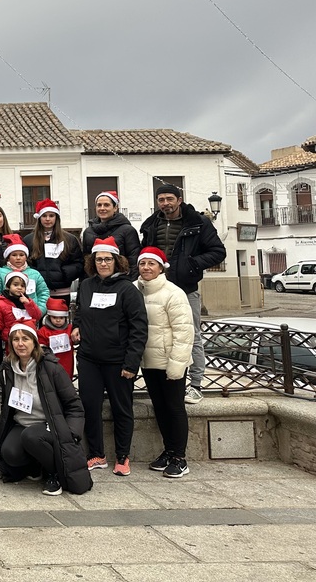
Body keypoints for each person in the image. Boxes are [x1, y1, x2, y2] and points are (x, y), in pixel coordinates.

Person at [140, 182, 227, 405]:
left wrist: (191, 265)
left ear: (179, 200)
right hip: (155, 290)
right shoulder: (151, 224)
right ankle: (161, 382)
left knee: (192, 336)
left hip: (185, 289)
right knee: (154, 335)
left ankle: (196, 385)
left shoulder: (198, 223)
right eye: (161, 200)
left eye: (170, 199)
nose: (165, 203)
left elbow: (218, 251)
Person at [74, 237, 148, 477]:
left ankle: (123, 456)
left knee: (121, 409)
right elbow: (79, 312)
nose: (103, 263)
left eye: (107, 259)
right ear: (92, 262)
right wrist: (76, 327)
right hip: (89, 359)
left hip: (118, 361)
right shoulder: (85, 285)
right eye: (98, 259)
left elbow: (139, 327)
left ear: (117, 261)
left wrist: (131, 363)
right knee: (90, 407)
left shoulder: (128, 289)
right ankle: (96, 454)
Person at [0, 323, 92, 496]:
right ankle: (37, 466)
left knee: (31, 436)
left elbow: (74, 405)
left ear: (35, 343)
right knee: (9, 453)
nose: (20, 344)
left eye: (25, 339)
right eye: (15, 339)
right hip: (21, 423)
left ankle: (54, 474)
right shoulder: (7, 368)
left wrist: (71, 433)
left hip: (49, 424)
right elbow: (6, 404)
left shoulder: (51, 368)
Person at [136, 247, 194, 479]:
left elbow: (184, 331)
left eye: (152, 264)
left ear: (161, 267)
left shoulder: (174, 293)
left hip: (170, 361)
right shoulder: (134, 289)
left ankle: (180, 457)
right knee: (160, 408)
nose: (147, 268)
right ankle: (168, 451)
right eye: (143, 264)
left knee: (174, 408)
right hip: (149, 362)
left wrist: (177, 364)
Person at [23, 199, 83, 300]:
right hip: (37, 293)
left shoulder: (70, 239)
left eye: (51, 215)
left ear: (56, 218)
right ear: (39, 218)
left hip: (62, 293)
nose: (47, 219)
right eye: (44, 216)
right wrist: (36, 275)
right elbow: (25, 264)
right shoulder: (28, 240)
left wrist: (65, 273)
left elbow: (79, 263)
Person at [82, 191, 141, 277]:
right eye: (99, 205)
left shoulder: (128, 230)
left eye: (106, 205)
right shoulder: (88, 232)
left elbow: (134, 260)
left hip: (121, 282)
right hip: (96, 283)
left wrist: (130, 283)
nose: (102, 208)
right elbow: (85, 262)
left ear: (115, 208)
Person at [0, 235, 49, 313]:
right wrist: (3, 310)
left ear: (26, 257)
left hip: (31, 316)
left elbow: (44, 293)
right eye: (14, 255)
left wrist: (39, 311)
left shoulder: (35, 274)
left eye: (21, 255)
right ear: (8, 257)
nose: (18, 258)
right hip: (7, 315)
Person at [0, 270, 44, 346]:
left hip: (29, 338)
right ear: (8, 286)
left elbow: (37, 316)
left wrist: (28, 304)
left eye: (22, 286)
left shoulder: (28, 301)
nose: (19, 288)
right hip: (11, 339)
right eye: (16, 285)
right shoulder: (0, 303)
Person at [38, 298, 76, 380]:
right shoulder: (43, 332)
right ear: (49, 317)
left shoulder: (70, 329)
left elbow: (75, 341)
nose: (58, 320)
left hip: (67, 363)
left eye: (61, 318)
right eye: (54, 317)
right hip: (50, 365)